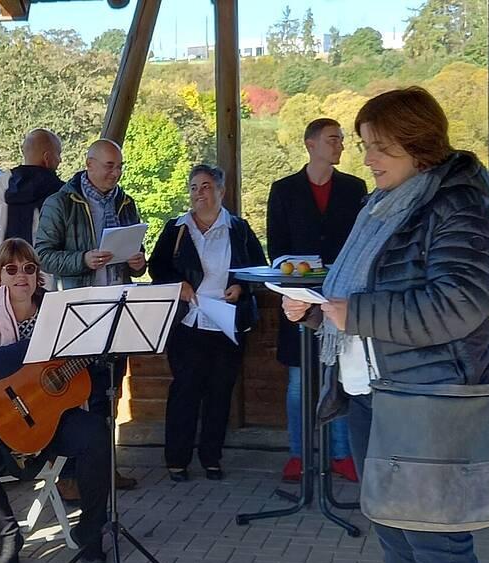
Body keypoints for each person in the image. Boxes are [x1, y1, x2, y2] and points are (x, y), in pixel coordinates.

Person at [281, 86, 489, 563]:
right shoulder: (383, 204)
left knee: (436, 544)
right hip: (374, 393)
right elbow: (373, 288)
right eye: (365, 145)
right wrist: (319, 310)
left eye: (378, 147)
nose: (366, 158)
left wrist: (355, 312)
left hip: (431, 400)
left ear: (418, 144)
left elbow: (459, 303)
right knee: (392, 532)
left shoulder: (461, 207)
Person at [0, 238, 110, 563]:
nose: (21, 276)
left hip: (47, 417)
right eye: (11, 269)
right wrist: (37, 345)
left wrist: (98, 352)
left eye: (29, 268)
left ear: (38, 274)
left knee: (96, 433)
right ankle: (8, 535)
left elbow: (78, 373)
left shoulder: (55, 310)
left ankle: (91, 528)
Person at [35, 139, 147, 497]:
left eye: (119, 167)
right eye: (109, 166)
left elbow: (138, 252)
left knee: (111, 389)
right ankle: (71, 475)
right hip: (79, 310)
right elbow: (43, 255)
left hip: (118, 307)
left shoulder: (126, 202)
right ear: (88, 163)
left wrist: (139, 263)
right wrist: (82, 260)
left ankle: (104, 469)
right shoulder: (61, 202)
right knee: (77, 394)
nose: (115, 173)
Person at [148, 165, 267, 482]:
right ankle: (177, 460)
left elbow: (258, 269)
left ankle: (211, 458)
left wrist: (241, 286)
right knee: (185, 391)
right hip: (188, 321)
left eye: (205, 187)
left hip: (227, 323)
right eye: (193, 188)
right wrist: (178, 284)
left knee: (219, 392)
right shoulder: (176, 229)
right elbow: (157, 267)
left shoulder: (238, 229)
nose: (198, 193)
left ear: (220, 191)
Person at [267, 117, 368, 483]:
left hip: (343, 300)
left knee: (342, 376)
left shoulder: (356, 188)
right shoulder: (283, 190)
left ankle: (343, 455)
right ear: (310, 144)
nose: (340, 144)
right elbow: (277, 249)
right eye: (333, 139)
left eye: (341, 139)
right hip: (297, 300)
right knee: (298, 382)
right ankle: (299, 454)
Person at [0, 128, 65, 243]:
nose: (60, 160)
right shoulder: (59, 190)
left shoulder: (1, 184)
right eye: (58, 154)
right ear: (47, 158)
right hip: (42, 259)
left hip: (5, 258)